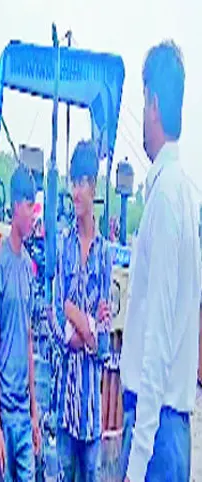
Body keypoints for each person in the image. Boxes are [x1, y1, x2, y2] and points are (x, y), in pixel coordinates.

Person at [119, 41, 201, 482]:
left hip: (156, 434)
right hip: (167, 431)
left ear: (152, 103)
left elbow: (158, 340)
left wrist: (137, 463)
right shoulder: (182, 193)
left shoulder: (168, 197)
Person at [50, 140, 112, 482]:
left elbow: (103, 341)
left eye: (82, 183)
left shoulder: (105, 254)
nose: (75, 192)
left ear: (93, 187)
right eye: (73, 183)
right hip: (65, 404)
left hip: (90, 410)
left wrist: (82, 325)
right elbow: (55, 315)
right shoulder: (63, 244)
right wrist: (80, 325)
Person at [0, 164, 41, 482]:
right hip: (4, 414)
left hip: (23, 411)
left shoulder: (28, 269)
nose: (33, 215)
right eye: (29, 206)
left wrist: (34, 413)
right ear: (16, 206)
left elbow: (29, 342)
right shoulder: (0, 268)